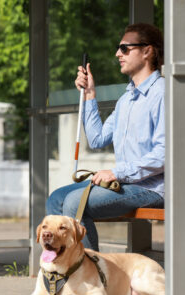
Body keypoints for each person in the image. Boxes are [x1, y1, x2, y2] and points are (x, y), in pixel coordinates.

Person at [46, 23, 165, 251]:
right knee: (56, 198)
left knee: (73, 202)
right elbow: (97, 138)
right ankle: (67, 267)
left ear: (147, 51)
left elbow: (163, 154)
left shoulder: (162, 93)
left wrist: (116, 172)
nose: (117, 54)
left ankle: (90, 276)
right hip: (128, 184)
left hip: (153, 188)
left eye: (124, 48)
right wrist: (90, 94)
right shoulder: (126, 99)